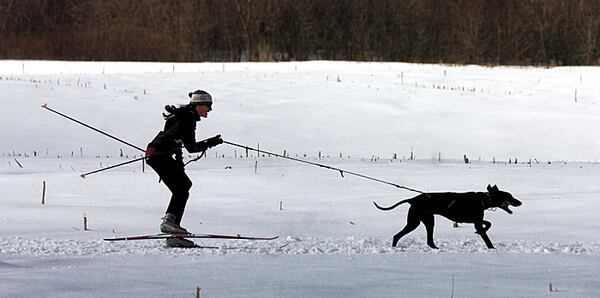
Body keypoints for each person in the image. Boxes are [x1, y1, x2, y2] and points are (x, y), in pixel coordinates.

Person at [145, 90, 223, 247]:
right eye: (208, 106)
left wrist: (179, 163)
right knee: (182, 187)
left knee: (183, 186)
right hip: (160, 156)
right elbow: (191, 147)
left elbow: (177, 141)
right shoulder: (188, 117)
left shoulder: (182, 115)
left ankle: (174, 233)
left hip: (158, 154)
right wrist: (211, 143)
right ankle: (169, 224)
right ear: (199, 105)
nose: (210, 110)